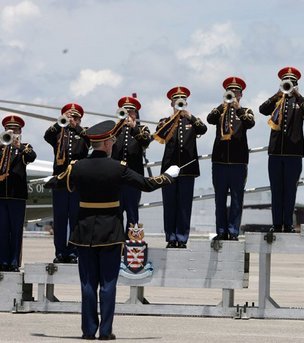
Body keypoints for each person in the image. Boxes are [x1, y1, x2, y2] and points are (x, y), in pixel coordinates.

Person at [44, 120, 180, 340]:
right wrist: (168, 177)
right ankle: (105, 331)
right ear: (107, 143)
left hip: (84, 233)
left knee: (88, 285)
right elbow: (147, 184)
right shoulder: (119, 168)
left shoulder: (77, 167)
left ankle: (88, 331)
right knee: (108, 285)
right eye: (112, 141)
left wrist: (47, 181)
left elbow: (55, 182)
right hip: (110, 232)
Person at [259, 67, 304, 232]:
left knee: (290, 190)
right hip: (276, 152)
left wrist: (297, 94)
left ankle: (288, 223)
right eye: (286, 82)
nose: (288, 85)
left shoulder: (299, 101)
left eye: (292, 82)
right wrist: (277, 94)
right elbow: (263, 109)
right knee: (276, 189)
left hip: (294, 153)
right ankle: (277, 223)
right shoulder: (277, 101)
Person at [154, 86, 207, 248]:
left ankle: (182, 238)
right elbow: (159, 135)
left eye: (182, 100)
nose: (179, 103)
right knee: (170, 205)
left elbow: (203, 129)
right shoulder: (165, 121)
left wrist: (189, 116)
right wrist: (174, 119)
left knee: (184, 206)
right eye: (176, 101)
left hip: (187, 169)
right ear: (171, 103)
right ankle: (171, 237)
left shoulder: (191, 121)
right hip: (169, 170)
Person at [207, 77, 255, 240]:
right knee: (219, 199)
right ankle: (221, 231)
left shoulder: (246, 111)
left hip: (238, 162)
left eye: (236, 92)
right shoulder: (219, 111)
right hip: (220, 162)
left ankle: (233, 231)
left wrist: (238, 108)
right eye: (230, 92)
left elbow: (250, 123)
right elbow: (209, 119)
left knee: (236, 199)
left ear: (241, 95)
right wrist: (223, 106)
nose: (233, 95)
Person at [44, 103, 90, 263]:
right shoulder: (58, 134)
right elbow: (47, 135)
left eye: (76, 117)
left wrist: (76, 126)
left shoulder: (83, 133)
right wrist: (60, 122)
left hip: (77, 181)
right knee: (60, 218)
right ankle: (60, 251)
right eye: (70, 116)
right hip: (60, 181)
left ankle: (73, 251)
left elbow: (89, 140)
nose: (72, 119)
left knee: (76, 218)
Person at [0, 115, 36, 272]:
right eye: (9, 129)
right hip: (0, 196)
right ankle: (2, 261)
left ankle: (14, 261)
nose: (12, 131)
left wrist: (18, 146)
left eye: (15, 129)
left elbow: (31, 157)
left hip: (17, 196)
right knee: (1, 230)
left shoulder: (25, 147)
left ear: (20, 131)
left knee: (15, 230)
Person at [111, 96, 152, 230]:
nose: (128, 113)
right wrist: (119, 125)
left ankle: (131, 242)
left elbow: (145, 141)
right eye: (125, 110)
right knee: (116, 212)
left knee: (132, 213)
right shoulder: (115, 128)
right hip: (116, 178)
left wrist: (134, 128)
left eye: (131, 111)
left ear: (136, 113)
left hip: (134, 177)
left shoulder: (142, 128)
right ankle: (117, 242)